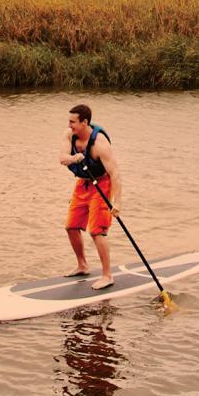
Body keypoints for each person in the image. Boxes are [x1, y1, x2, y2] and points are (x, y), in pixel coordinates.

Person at [61, 104, 124, 289]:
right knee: (71, 227)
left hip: (102, 184)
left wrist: (117, 202)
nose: (69, 125)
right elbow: (62, 158)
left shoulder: (100, 145)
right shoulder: (68, 135)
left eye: (73, 122)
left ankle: (107, 275)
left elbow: (115, 175)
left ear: (85, 122)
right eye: (69, 121)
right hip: (83, 183)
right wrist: (75, 158)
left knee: (97, 231)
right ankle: (82, 265)